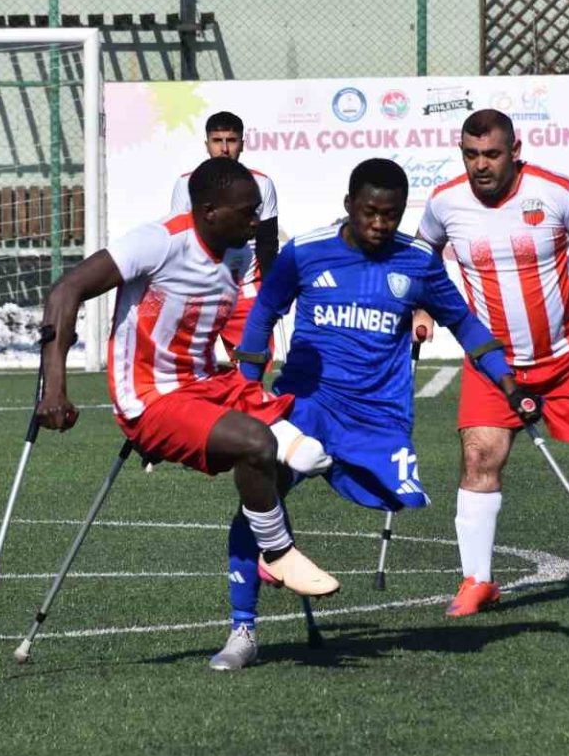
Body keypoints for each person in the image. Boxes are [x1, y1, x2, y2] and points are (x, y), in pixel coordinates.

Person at [211, 158, 535, 670]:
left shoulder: (418, 262)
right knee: (258, 497)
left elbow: (466, 324)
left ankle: (275, 554)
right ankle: (243, 629)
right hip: (307, 406)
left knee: (398, 498)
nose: (380, 224)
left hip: (376, 418)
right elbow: (264, 313)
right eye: (370, 212)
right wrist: (249, 389)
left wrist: (507, 381)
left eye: (391, 214)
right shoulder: (305, 252)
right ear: (349, 205)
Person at [35, 156, 339, 600]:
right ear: (209, 211)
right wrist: (54, 388)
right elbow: (65, 291)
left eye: (257, 211)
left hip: (206, 382)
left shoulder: (238, 253)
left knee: (309, 455)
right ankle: (276, 551)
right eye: (246, 212)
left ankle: (261, 541)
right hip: (149, 397)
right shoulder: (158, 242)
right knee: (256, 443)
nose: (256, 221)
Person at [413, 109, 569, 618]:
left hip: (565, 358)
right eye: (471, 155)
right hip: (492, 364)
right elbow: (423, 253)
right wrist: (421, 310)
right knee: (479, 457)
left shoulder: (559, 192)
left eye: (491, 154)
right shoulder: (445, 202)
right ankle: (477, 580)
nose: (480, 165)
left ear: (515, 151)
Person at [169, 112, 278, 357]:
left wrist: (272, 293)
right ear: (207, 144)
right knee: (187, 367)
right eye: (217, 140)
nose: (225, 148)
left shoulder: (262, 183)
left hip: (244, 292)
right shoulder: (185, 184)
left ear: (242, 144)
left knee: (252, 367)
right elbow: (180, 242)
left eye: (232, 140)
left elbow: (268, 244)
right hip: (198, 292)